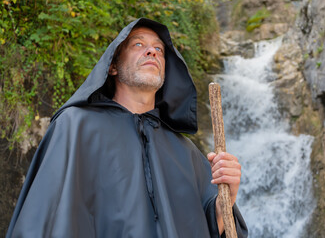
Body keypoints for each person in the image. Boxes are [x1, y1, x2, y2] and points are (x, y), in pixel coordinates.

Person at [6, 18, 247, 238]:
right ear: (112, 66)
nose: (152, 50)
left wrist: (226, 198)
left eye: (159, 49)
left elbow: (210, 230)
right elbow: (40, 223)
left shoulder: (188, 153)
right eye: (138, 44)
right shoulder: (74, 127)